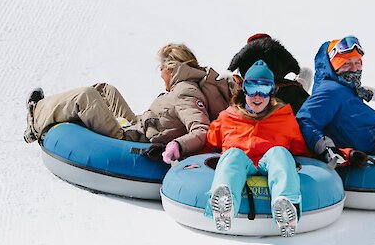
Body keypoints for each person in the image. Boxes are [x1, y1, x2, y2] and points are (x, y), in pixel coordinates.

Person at [23, 43, 230, 164]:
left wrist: (176, 145)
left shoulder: (186, 91)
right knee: (105, 90)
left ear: (171, 67)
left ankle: (36, 118)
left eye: (161, 67)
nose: (159, 72)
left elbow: (202, 130)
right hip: (136, 126)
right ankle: (54, 112)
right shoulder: (182, 87)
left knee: (85, 96)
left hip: (131, 141)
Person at [204, 59, 311, 236]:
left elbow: (302, 153)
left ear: (272, 92)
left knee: (280, 152)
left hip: (270, 165)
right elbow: (209, 147)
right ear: (244, 89)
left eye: (264, 89)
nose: (257, 96)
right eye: (252, 88)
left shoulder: (284, 118)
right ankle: (224, 205)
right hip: (240, 164)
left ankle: (286, 205)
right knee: (232, 155)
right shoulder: (227, 118)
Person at [228, 33, 310, 114]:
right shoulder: (289, 88)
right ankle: (301, 84)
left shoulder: (240, 87)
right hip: (285, 98)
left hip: (245, 106)